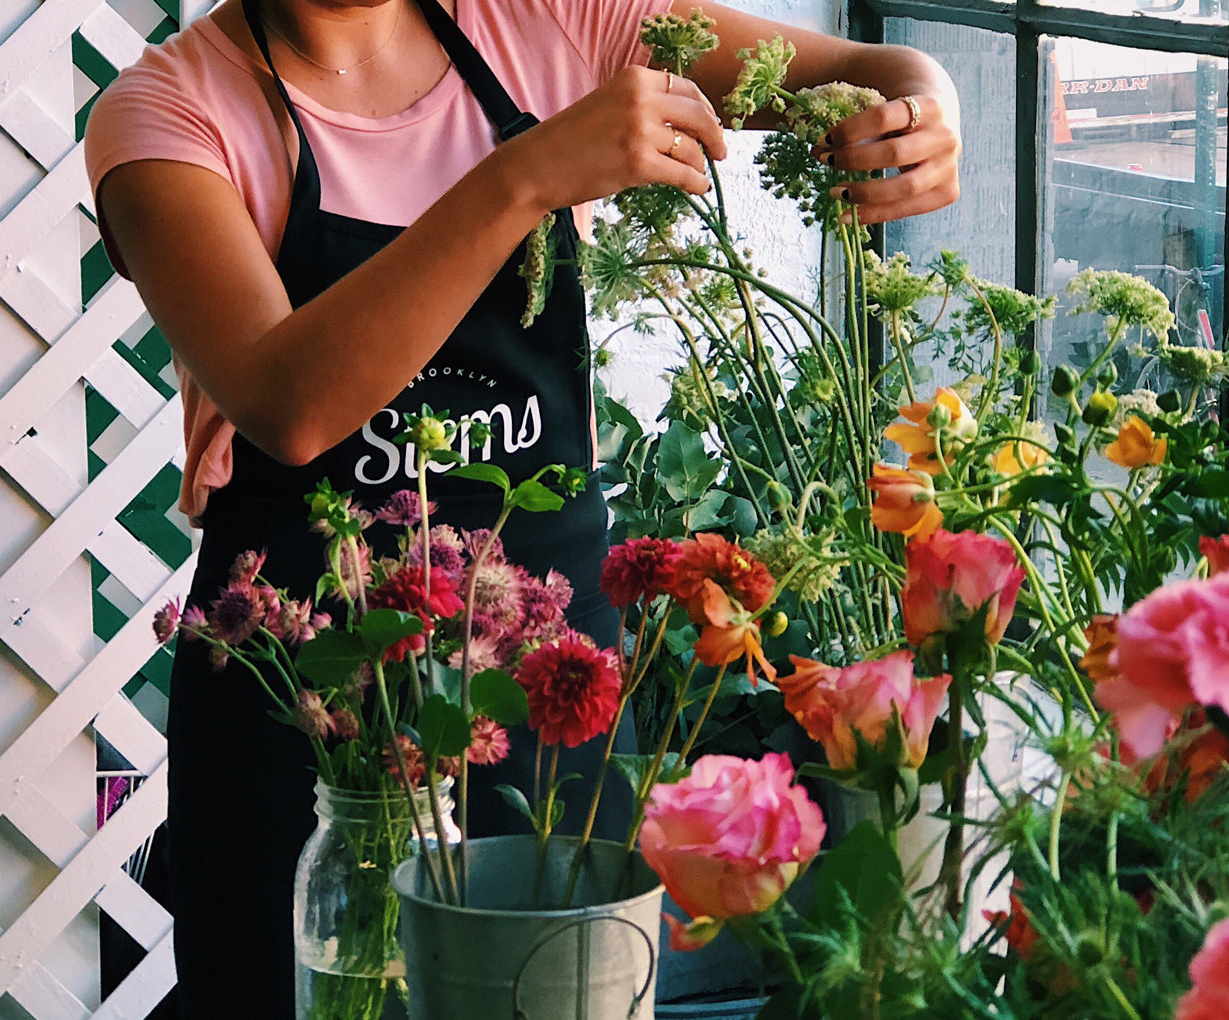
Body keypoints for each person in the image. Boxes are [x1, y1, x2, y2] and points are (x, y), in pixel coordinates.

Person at [83, 0, 960, 1013]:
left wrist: (921, 110)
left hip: (549, 705)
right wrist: (530, 173)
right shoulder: (164, 115)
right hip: (306, 735)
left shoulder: (548, 20)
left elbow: (864, 63)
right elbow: (292, 403)